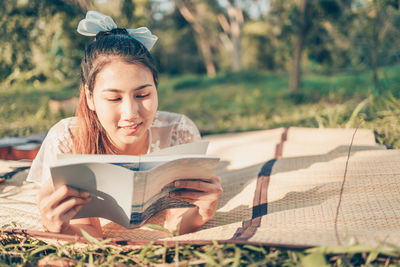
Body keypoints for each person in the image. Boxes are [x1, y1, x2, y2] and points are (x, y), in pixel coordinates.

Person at [26, 11, 222, 238]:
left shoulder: (179, 132)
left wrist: (201, 214)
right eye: (114, 98)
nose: (130, 113)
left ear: (156, 90)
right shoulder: (67, 140)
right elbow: (90, 233)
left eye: (143, 95)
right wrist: (59, 226)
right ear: (90, 98)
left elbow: (174, 227)